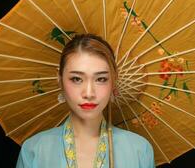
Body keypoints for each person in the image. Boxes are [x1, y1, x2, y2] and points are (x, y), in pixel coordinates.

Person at [16, 34, 155, 168]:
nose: (89, 93)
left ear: (113, 82)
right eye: (76, 79)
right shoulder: (34, 150)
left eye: (101, 79)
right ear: (59, 80)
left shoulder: (139, 150)